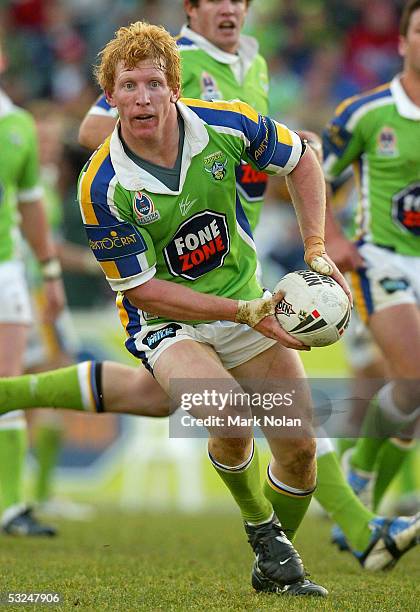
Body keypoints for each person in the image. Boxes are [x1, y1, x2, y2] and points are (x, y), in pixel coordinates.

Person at [78, 0, 420, 572]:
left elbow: (303, 162)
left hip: (245, 295)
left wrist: (314, 248)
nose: (143, 97)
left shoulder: (226, 121)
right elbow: (144, 293)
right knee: (230, 419)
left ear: (175, 90)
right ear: (111, 97)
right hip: (170, 323)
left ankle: (275, 561)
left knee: (301, 453)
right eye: (129, 86)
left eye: (154, 84)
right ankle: (265, 530)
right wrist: (243, 311)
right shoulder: (101, 188)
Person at [323, 0, 420, 535]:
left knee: (411, 396)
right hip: (381, 259)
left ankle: (361, 496)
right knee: (414, 378)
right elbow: (314, 173)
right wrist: (333, 237)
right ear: (402, 42)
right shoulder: (366, 112)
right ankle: (362, 486)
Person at [0, 46, 65, 535]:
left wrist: (50, 270)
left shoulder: (17, 125)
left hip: (8, 274)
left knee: (11, 388)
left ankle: (12, 507)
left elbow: (30, 207)